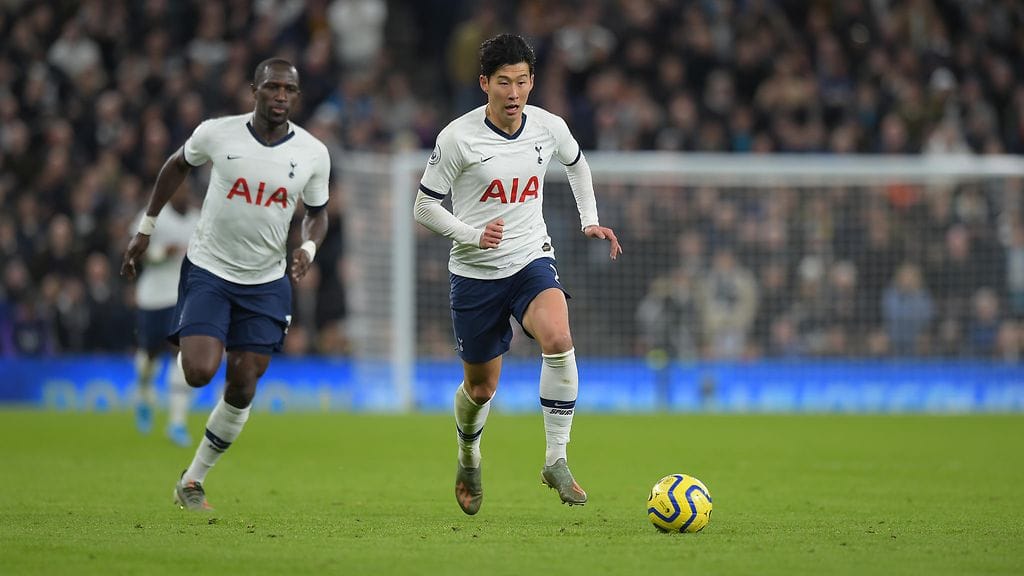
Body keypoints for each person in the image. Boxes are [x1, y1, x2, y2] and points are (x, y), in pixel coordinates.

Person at [413, 33, 622, 515]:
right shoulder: (457, 137)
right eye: (503, 82)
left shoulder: (548, 127)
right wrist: (470, 234)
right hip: (474, 273)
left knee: (558, 335)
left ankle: (556, 459)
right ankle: (468, 454)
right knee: (482, 388)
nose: (513, 93)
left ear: (532, 82)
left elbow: (577, 164)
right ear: (484, 83)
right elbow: (424, 206)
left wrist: (588, 218)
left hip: (530, 258)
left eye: (522, 82)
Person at [120, 58, 330, 511]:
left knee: (244, 381)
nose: (280, 97)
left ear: (296, 97)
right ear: (252, 90)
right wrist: (146, 227)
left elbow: (318, 212)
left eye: (289, 91)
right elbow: (175, 166)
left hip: (266, 279)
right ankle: (169, 388)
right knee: (198, 372)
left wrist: (308, 249)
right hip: (211, 269)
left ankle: (192, 480)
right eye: (272, 87)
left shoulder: (313, 153)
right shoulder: (218, 133)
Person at [130, 191, 200, 447]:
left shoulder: (197, 219)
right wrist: (160, 252)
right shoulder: (153, 215)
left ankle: (177, 423)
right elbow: (134, 249)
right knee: (148, 356)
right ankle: (144, 393)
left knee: (179, 353)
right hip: (151, 297)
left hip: (180, 297)